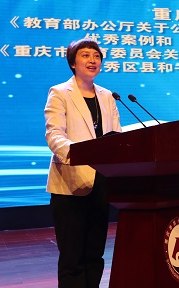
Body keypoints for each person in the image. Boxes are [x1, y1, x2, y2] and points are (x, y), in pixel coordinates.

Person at [44, 37, 122, 287]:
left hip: (101, 182)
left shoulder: (108, 96)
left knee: (94, 253)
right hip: (70, 182)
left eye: (96, 56)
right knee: (72, 256)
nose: (92, 60)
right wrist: (78, 154)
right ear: (73, 63)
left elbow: (117, 135)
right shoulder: (59, 92)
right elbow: (54, 134)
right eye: (86, 55)